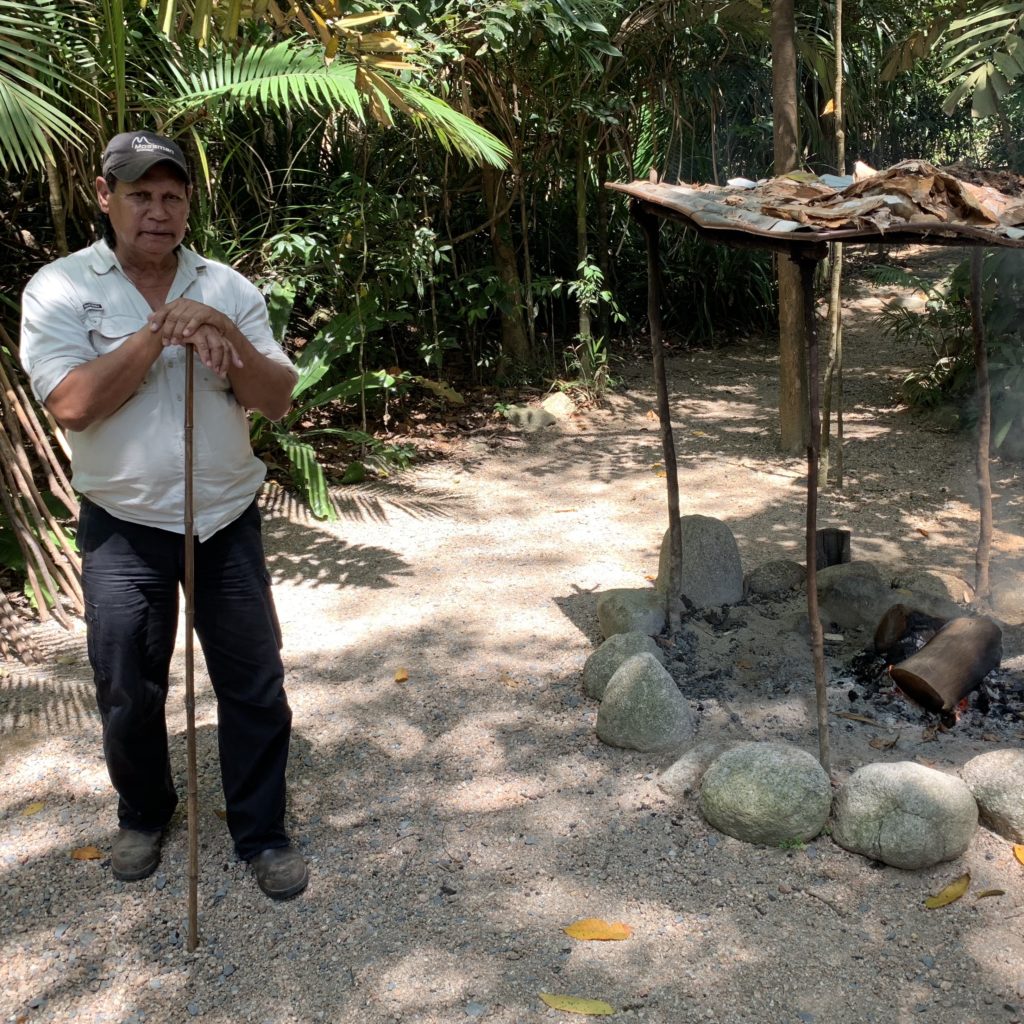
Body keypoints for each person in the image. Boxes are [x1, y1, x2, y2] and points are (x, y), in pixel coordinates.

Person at [19, 131, 308, 900]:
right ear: (105, 196)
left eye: (172, 196)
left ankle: (263, 833)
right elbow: (73, 404)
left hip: (224, 518)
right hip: (123, 521)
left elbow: (275, 399)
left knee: (253, 681)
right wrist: (159, 332)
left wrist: (224, 336)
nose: (157, 211)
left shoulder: (229, 285)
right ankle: (144, 814)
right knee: (128, 685)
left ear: (187, 206)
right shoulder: (59, 287)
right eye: (140, 194)